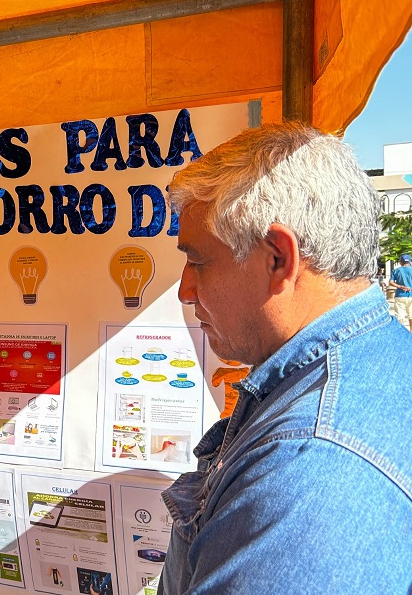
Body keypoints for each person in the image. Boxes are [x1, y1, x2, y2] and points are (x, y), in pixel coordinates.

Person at [158, 123, 412, 593]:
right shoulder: (376, 356)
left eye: (198, 261)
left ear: (277, 257)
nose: (185, 290)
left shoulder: (310, 471)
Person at [389, 253, 412, 330]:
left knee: (399, 316)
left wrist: (400, 286)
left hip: (399, 295)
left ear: (400, 262)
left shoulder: (396, 271)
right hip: (411, 295)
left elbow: (391, 282)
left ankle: (402, 333)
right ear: (409, 261)